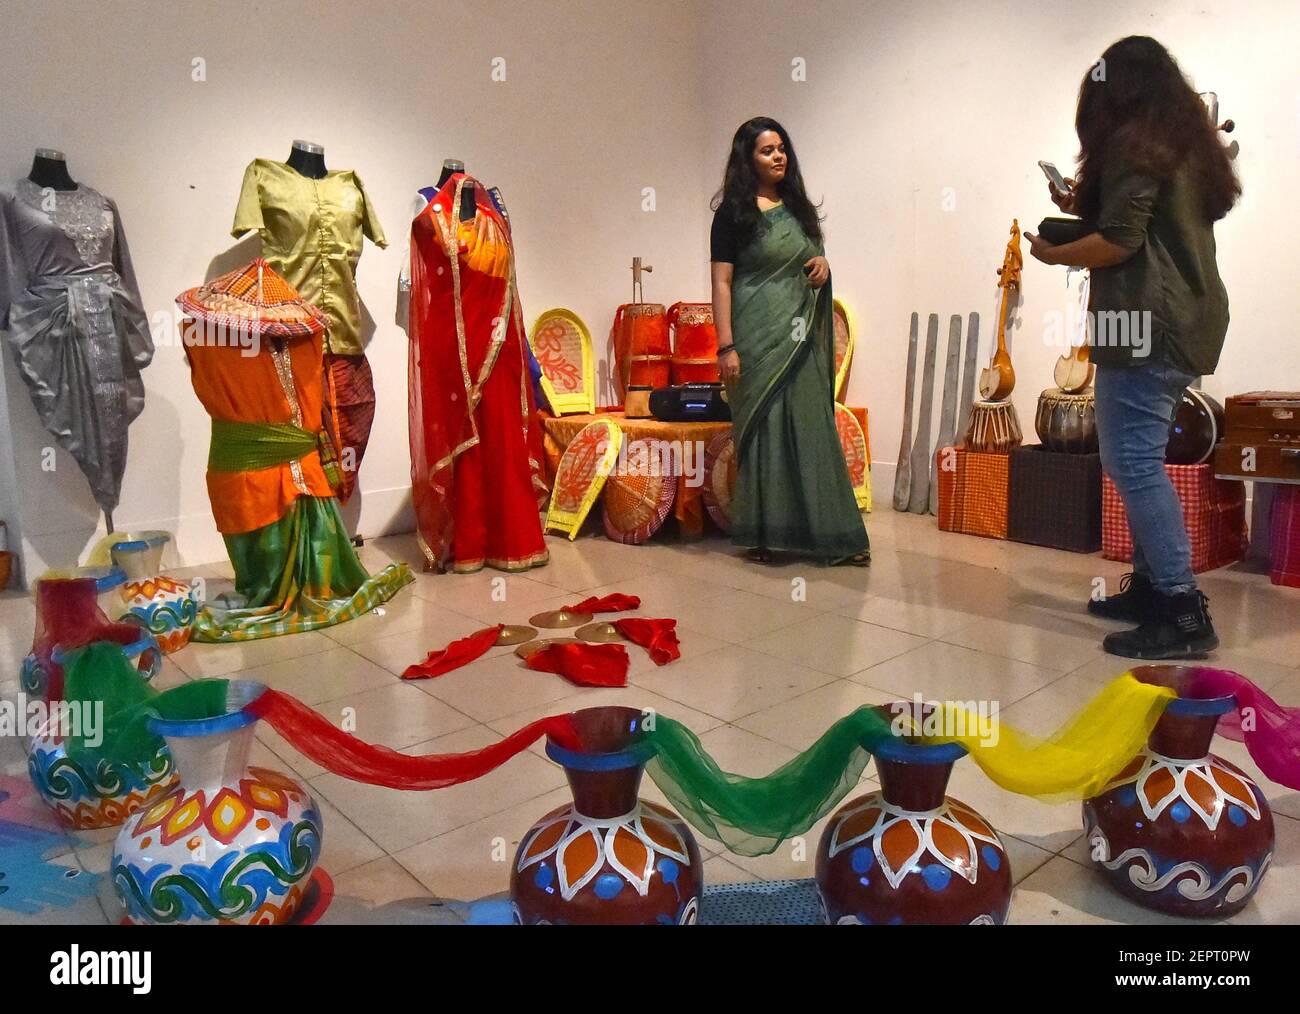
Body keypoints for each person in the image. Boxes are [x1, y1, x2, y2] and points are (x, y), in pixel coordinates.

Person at [1025, 36, 1239, 659]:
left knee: (1133, 462)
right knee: (1138, 457)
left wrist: (1054, 252)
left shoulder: (1133, 147)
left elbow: (1119, 243)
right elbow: (1149, 229)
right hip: (1186, 317)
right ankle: (1149, 589)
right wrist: (1080, 208)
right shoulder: (1184, 147)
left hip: (1146, 324)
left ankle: (1181, 608)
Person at [709, 117, 870, 565]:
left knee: (810, 427)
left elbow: (811, 258)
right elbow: (722, 283)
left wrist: (822, 265)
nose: (778, 156)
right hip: (754, 332)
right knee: (764, 431)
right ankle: (768, 534)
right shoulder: (732, 215)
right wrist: (726, 346)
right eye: (766, 151)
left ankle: (834, 534)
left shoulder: (798, 207)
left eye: (781, 148)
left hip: (799, 335)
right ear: (748, 159)